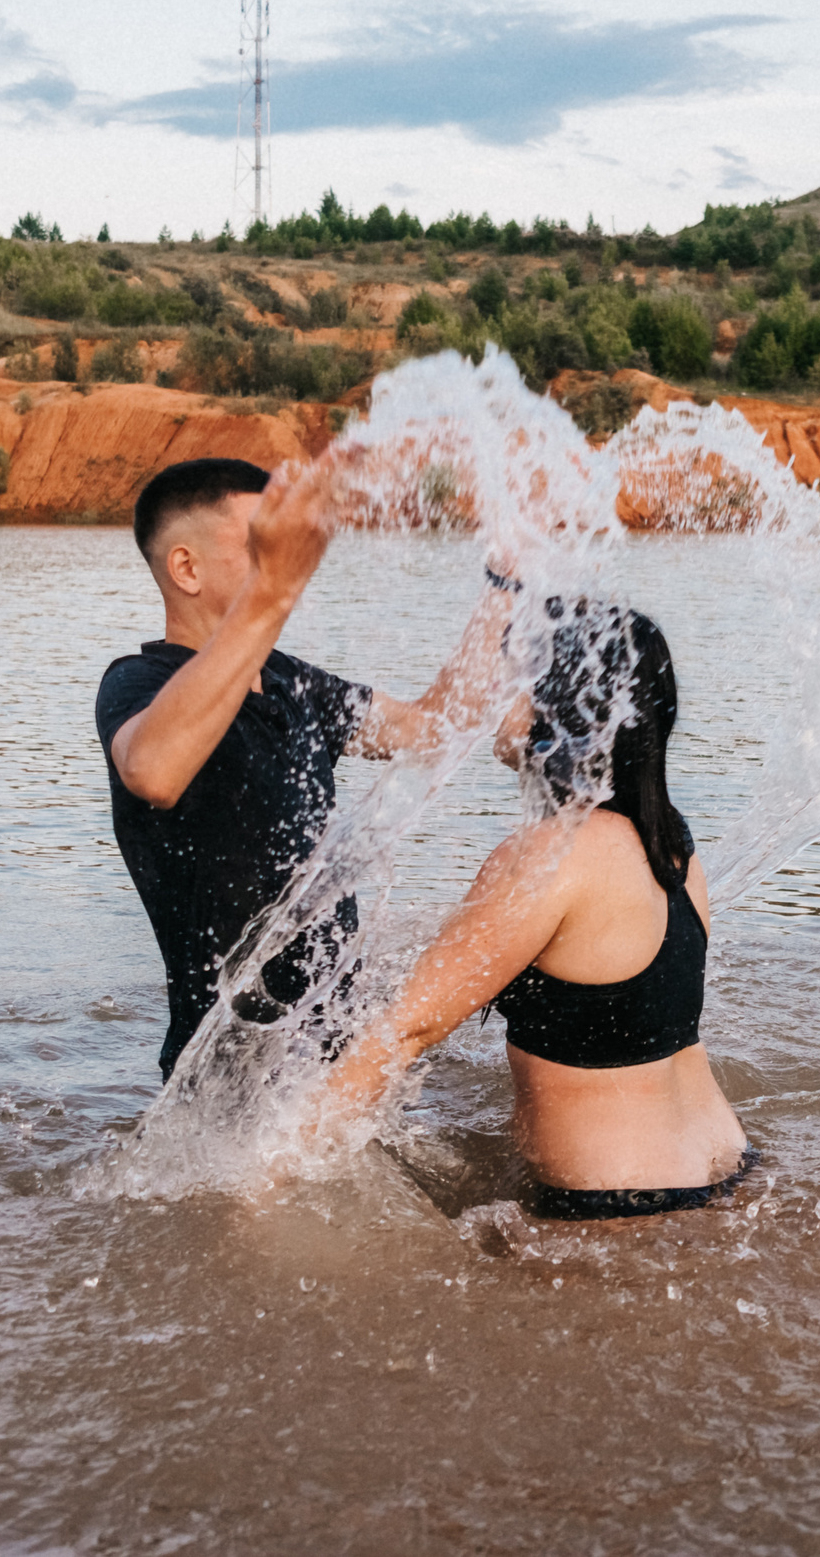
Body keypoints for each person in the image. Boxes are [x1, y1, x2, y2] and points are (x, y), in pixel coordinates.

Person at [317, 606, 752, 1220]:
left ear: (562, 706)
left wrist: (270, 1166)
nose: (501, 696)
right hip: (725, 1170)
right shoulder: (669, 841)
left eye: (517, 679)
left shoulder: (552, 854)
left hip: (614, 1208)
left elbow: (406, 1031)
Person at [97, 455, 502, 1079]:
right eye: (260, 543)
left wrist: (505, 584)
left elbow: (433, 730)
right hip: (227, 1078)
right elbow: (153, 771)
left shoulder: (292, 681)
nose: (284, 557)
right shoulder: (138, 683)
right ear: (186, 568)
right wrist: (274, 591)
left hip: (335, 1058)